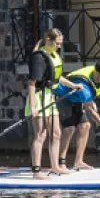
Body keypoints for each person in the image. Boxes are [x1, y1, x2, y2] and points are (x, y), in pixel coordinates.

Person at [52, 55, 100, 171]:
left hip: (77, 99)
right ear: (97, 73)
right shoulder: (84, 85)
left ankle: (78, 162)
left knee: (85, 126)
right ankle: (61, 163)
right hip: (62, 98)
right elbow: (92, 113)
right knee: (70, 128)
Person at [25, 29, 67, 175]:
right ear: (48, 39)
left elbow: (56, 77)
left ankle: (55, 167)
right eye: (57, 43)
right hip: (38, 98)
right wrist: (33, 107)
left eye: (61, 44)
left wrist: (74, 86)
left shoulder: (54, 55)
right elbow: (31, 83)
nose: (59, 47)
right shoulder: (39, 58)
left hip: (49, 97)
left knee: (56, 133)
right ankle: (37, 171)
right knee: (40, 134)